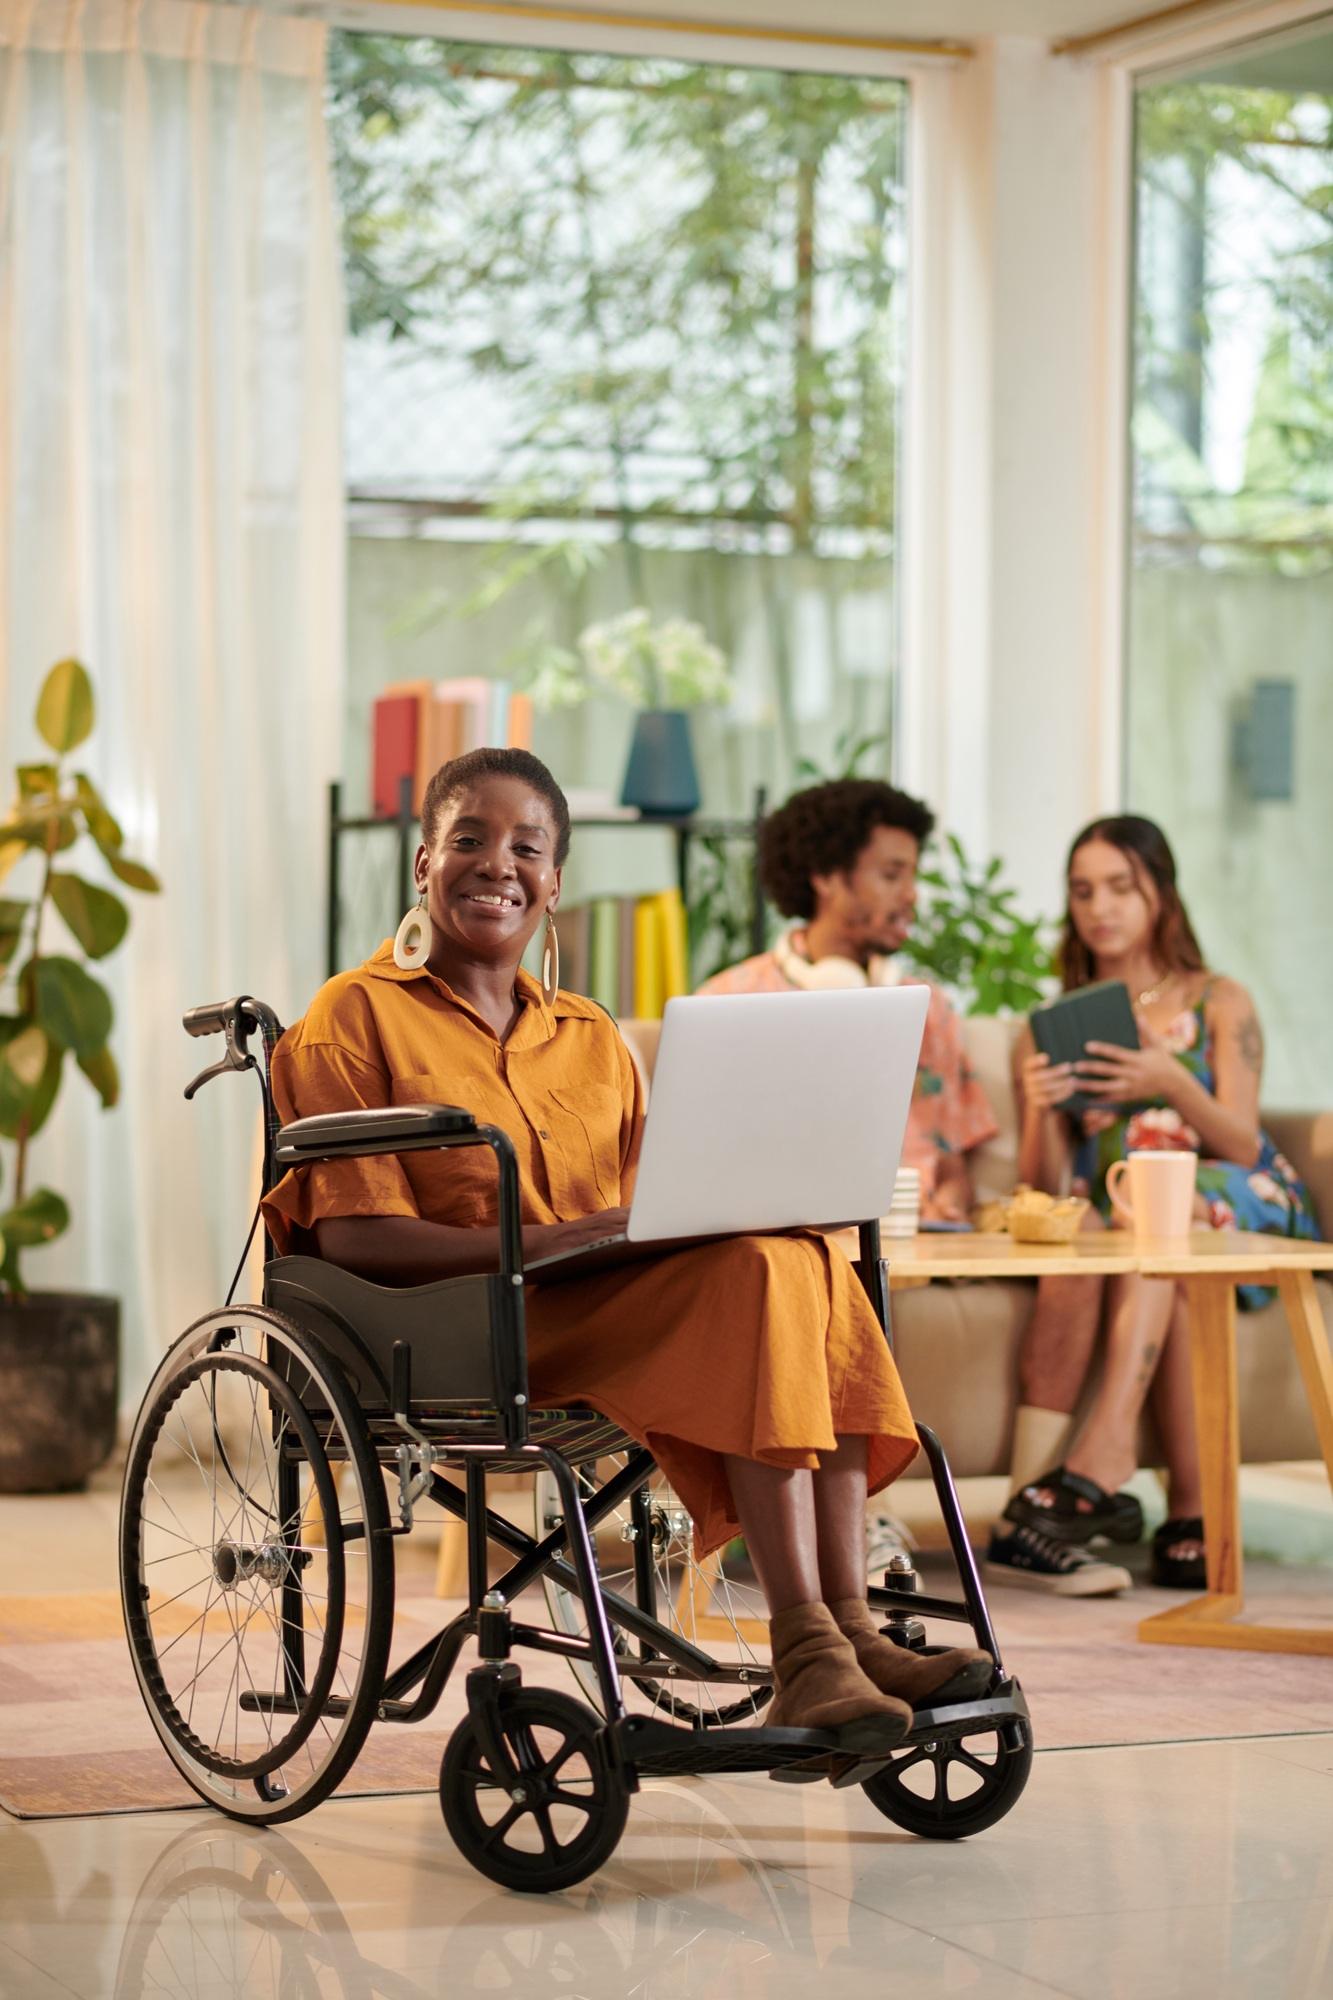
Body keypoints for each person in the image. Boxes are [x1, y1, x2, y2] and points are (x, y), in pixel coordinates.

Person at [261, 747, 992, 1761]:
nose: (496, 864)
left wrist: (690, 1210)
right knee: (757, 1271)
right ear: (423, 861)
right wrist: (575, 1236)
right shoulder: (355, 1013)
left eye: (528, 846)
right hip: (462, 1324)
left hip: (605, 1306)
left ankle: (849, 1632)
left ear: (555, 882)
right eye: (467, 838)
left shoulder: (592, 1035)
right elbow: (355, 1236)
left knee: (802, 1249)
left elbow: (660, 1198)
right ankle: (803, 1640)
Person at [985, 814, 1319, 1595]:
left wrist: (1168, 1080)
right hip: (1147, 1221)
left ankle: (1104, 1454)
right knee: (1147, 1227)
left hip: (1243, 1200)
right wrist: (1039, 1105)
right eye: (1081, 891)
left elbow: (1239, 1143)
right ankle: (1193, 1517)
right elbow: (1047, 1183)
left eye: (1119, 888)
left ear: (1159, 895)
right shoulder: (1056, 1024)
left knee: (1159, 1212)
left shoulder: (1218, 1001)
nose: (1098, 907)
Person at [697, 779, 999, 1225]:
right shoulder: (727, 1001)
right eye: (892, 875)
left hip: (911, 1244)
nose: (912, 894)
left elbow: (953, 1169)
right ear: (827, 878)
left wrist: (951, 1201)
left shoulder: (928, 1007)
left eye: (912, 875)